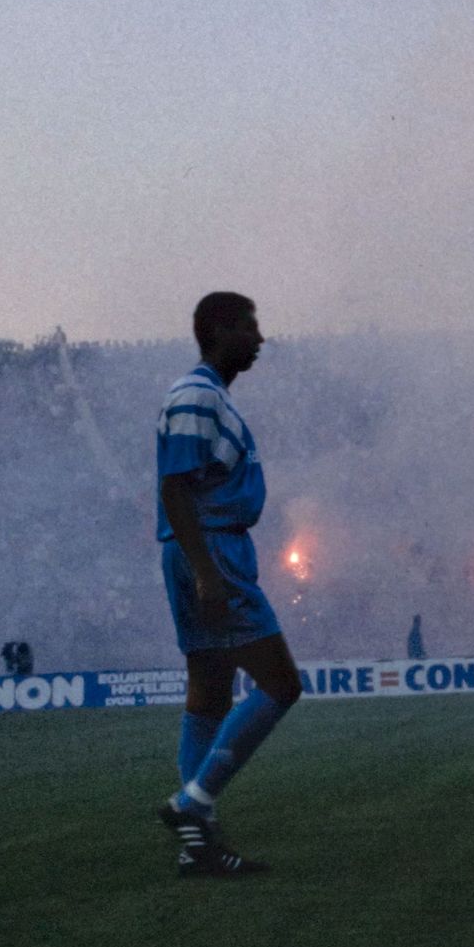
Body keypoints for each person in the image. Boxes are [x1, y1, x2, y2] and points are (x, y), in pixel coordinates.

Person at [152, 291, 303, 876]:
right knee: (282, 683)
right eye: (250, 326)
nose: (260, 339)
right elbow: (175, 488)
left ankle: (198, 844)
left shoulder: (208, 396)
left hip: (207, 548)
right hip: (210, 549)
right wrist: (207, 573)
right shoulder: (195, 394)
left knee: (210, 691)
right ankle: (193, 803)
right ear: (219, 330)